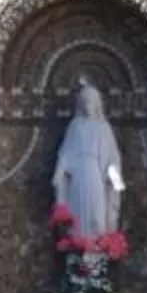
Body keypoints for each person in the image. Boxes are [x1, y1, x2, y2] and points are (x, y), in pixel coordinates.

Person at [53, 81, 125, 242]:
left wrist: (114, 177)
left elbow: (112, 157)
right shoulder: (75, 126)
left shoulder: (103, 127)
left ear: (97, 103)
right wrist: (59, 171)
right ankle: (79, 244)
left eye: (91, 101)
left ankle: (97, 245)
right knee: (78, 210)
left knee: (96, 211)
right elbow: (66, 153)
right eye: (84, 101)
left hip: (95, 172)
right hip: (79, 173)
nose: (87, 105)